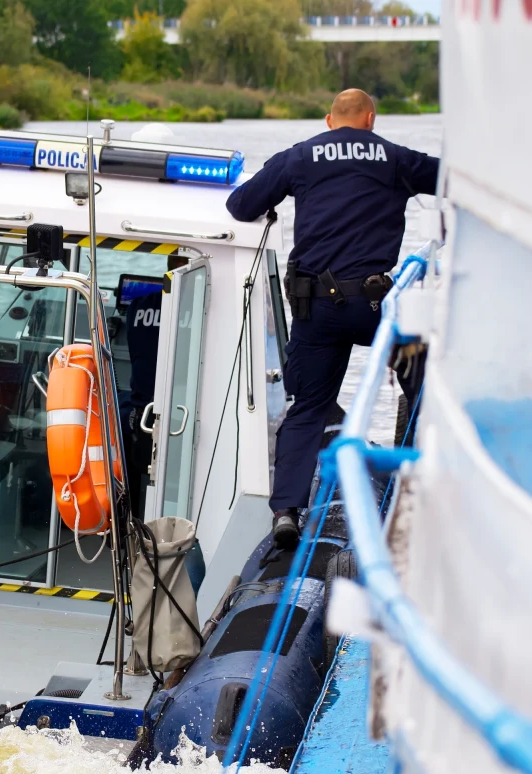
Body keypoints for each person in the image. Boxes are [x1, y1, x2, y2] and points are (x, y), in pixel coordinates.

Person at [226, 88, 439, 548]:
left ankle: (286, 512)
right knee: (422, 382)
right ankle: (433, 481)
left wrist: (278, 198)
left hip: (318, 309)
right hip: (377, 307)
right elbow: (453, 181)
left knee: (307, 407)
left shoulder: (300, 157)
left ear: (329, 120)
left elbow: (240, 206)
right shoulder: (395, 158)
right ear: (370, 119)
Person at [121, 255, 187, 519]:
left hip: (141, 416)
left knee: (119, 408)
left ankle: (127, 518)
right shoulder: (196, 309)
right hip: (179, 418)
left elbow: (136, 350)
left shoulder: (136, 306)